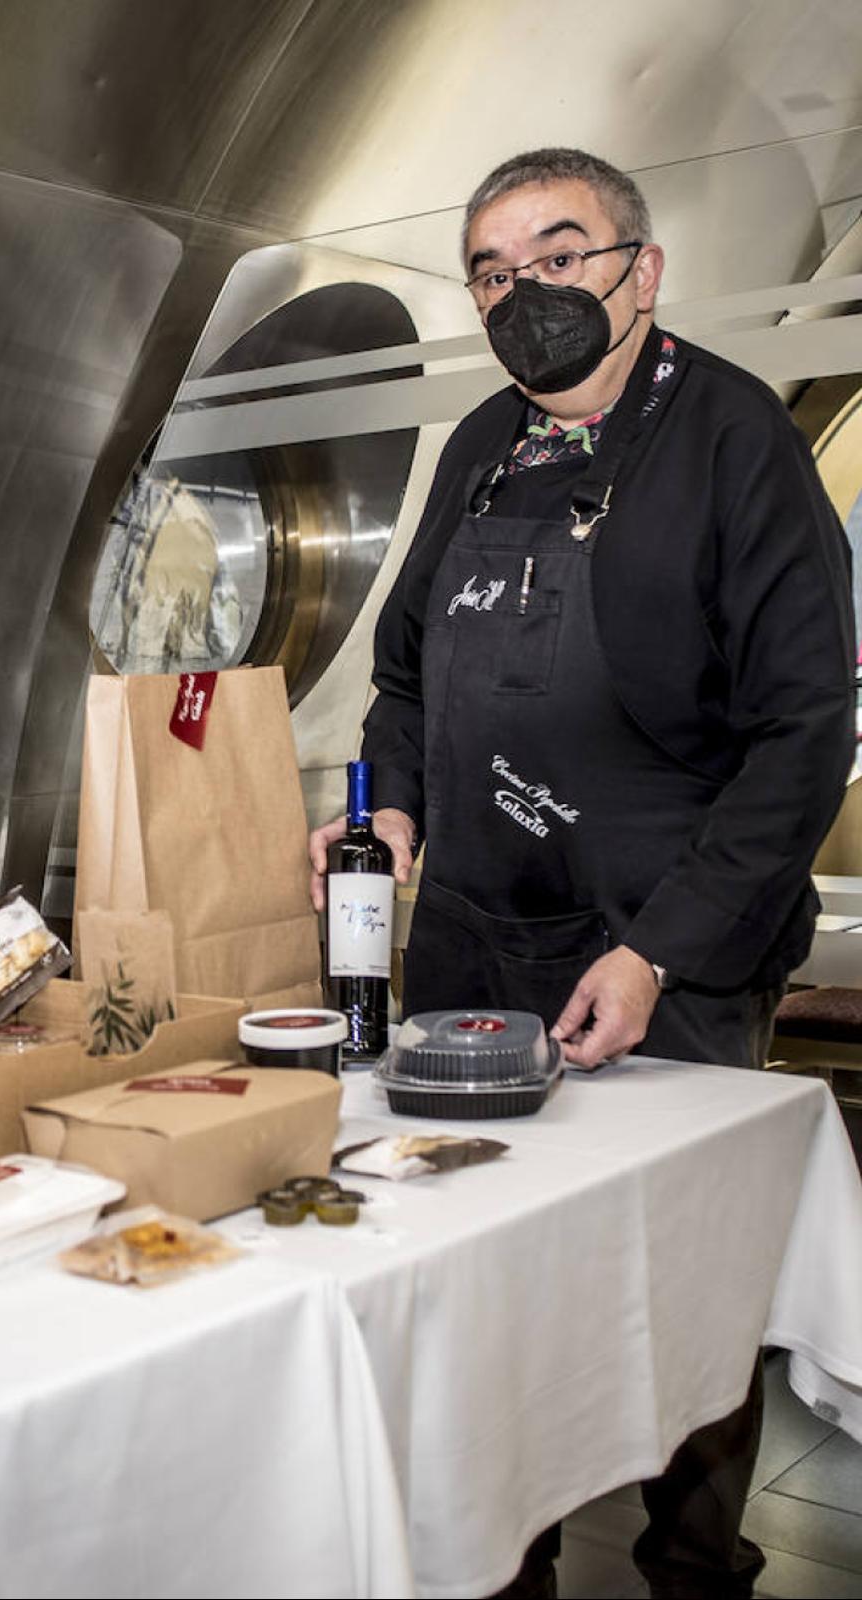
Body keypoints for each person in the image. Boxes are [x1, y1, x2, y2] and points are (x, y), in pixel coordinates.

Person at [309, 148, 855, 1597]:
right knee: (475, 1253)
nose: (524, 291)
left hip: (662, 946)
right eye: (494, 269)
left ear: (642, 270)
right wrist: (401, 807)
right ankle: (506, 1550)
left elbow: (803, 733)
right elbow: (409, 670)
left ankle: (693, 1563)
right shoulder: (482, 437)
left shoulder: (740, 440)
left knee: (696, 1278)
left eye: (560, 254)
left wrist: (665, 943)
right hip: (480, 935)